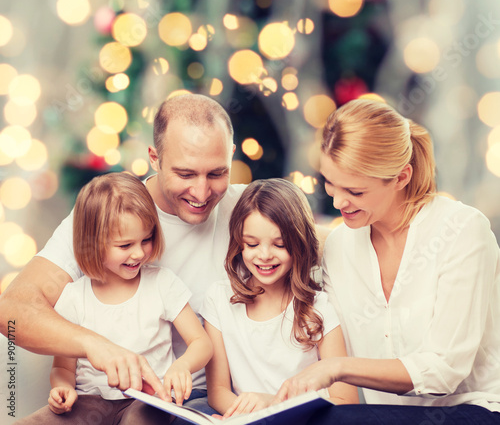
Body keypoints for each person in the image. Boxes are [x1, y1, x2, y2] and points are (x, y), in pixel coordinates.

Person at [0, 94, 245, 415]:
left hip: (184, 402)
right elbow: (12, 313)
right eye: (185, 174)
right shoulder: (108, 213)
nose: (201, 193)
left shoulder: (248, 210)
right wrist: (96, 346)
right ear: (154, 158)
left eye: (217, 173)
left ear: (231, 156)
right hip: (95, 399)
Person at [274, 98, 500, 424]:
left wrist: (336, 367)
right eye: (330, 184)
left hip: (475, 410)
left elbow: (443, 370)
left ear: (401, 177)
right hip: (384, 416)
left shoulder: (462, 231)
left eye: (355, 191)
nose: (338, 201)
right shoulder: (340, 246)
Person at [15, 172, 213, 425]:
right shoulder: (75, 297)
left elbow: (201, 342)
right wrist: (62, 388)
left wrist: (182, 366)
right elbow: (63, 367)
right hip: (89, 401)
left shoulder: (162, 283)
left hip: (150, 401)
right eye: (125, 245)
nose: (139, 253)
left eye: (147, 239)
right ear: (93, 243)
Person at [202, 178, 359, 418]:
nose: (264, 255)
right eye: (252, 244)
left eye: (280, 244)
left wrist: (273, 405)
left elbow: (345, 400)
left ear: (299, 243)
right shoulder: (219, 298)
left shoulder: (319, 308)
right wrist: (241, 416)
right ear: (239, 243)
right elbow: (218, 391)